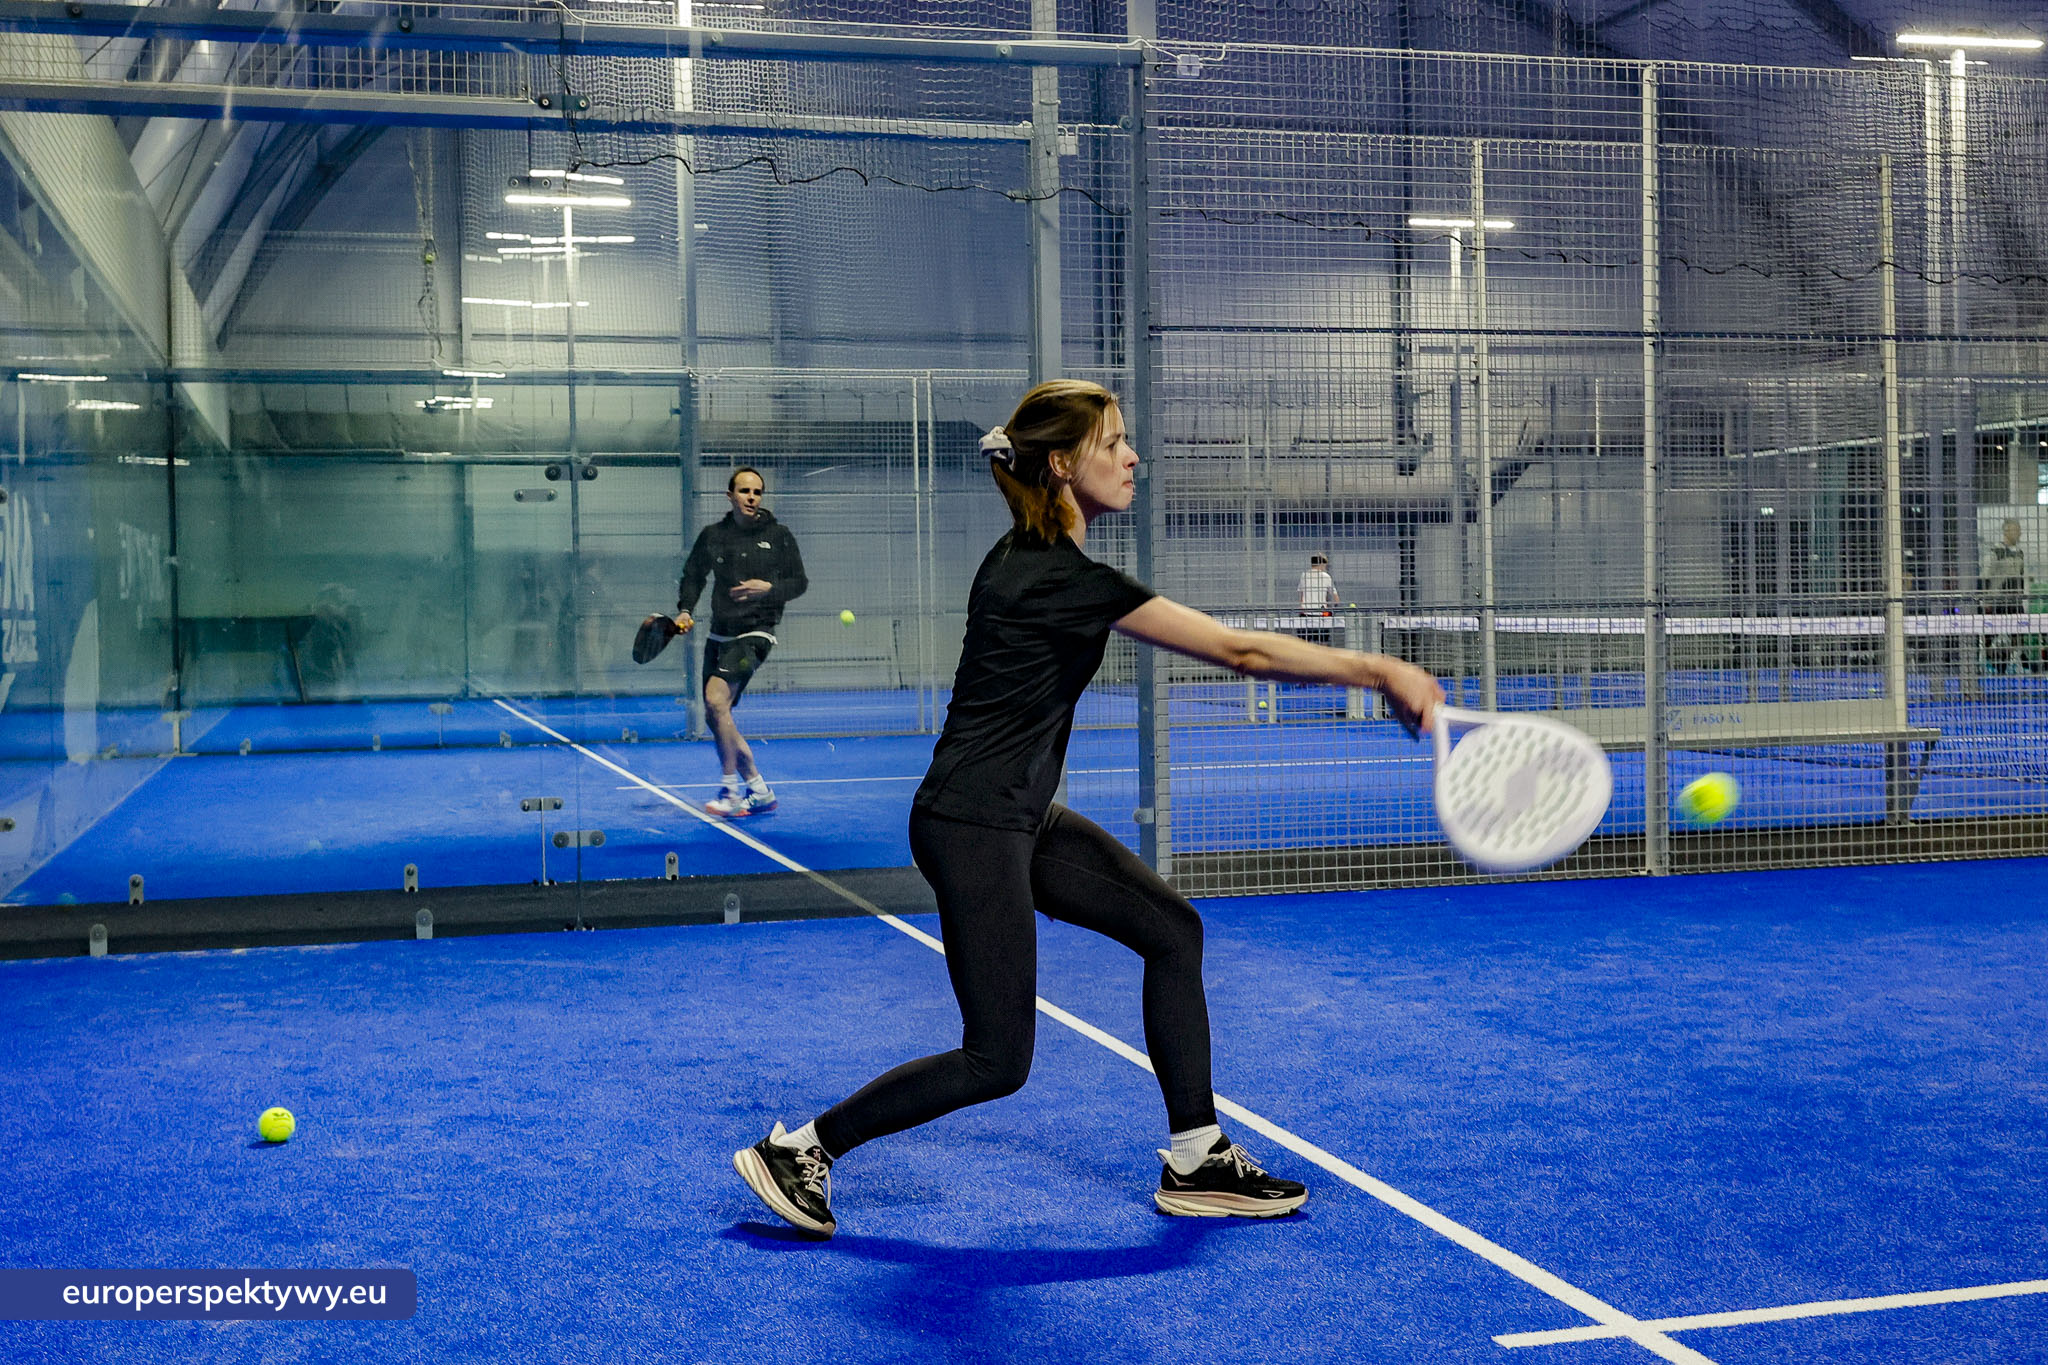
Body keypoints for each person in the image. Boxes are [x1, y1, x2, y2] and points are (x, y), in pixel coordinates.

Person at [732, 380, 1444, 1237]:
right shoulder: (1053, 578)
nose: (1133, 455)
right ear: (1064, 466)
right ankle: (800, 1151)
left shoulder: (1037, 560)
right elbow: (1240, 650)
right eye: (1115, 443)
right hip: (974, 825)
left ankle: (1197, 1155)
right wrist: (1380, 669)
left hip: (1014, 817)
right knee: (997, 1058)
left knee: (1171, 930)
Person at [672, 467, 808, 816]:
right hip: (720, 635)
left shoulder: (779, 536)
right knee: (716, 715)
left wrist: (770, 589)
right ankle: (759, 790)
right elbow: (693, 576)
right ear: (730, 495)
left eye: (757, 492)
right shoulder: (713, 536)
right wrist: (685, 610)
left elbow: (799, 583)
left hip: (756, 635)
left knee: (716, 700)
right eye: (745, 491)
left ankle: (729, 791)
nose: (752, 497)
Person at [1297, 552, 1338, 646]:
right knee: (1323, 642)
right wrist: (1333, 609)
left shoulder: (1304, 576)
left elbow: (1301, 596)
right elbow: (1336, 598)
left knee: (1303, 643)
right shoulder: (1326, 577)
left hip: (1306, 613)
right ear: (1322, 564)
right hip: (1321, 614)